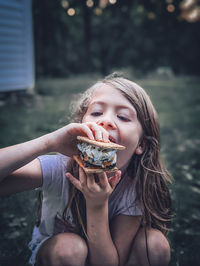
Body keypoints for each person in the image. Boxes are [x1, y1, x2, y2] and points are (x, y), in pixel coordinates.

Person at [0, 73, 172, 266]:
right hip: (59, 256)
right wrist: (48, 143)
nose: (105, 121)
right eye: (97, 113)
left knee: (155, 245)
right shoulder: (60, 168)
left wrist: (96, 205)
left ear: (140, 144)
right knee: (70, 249)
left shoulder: (134, 188)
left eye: (123, 117)